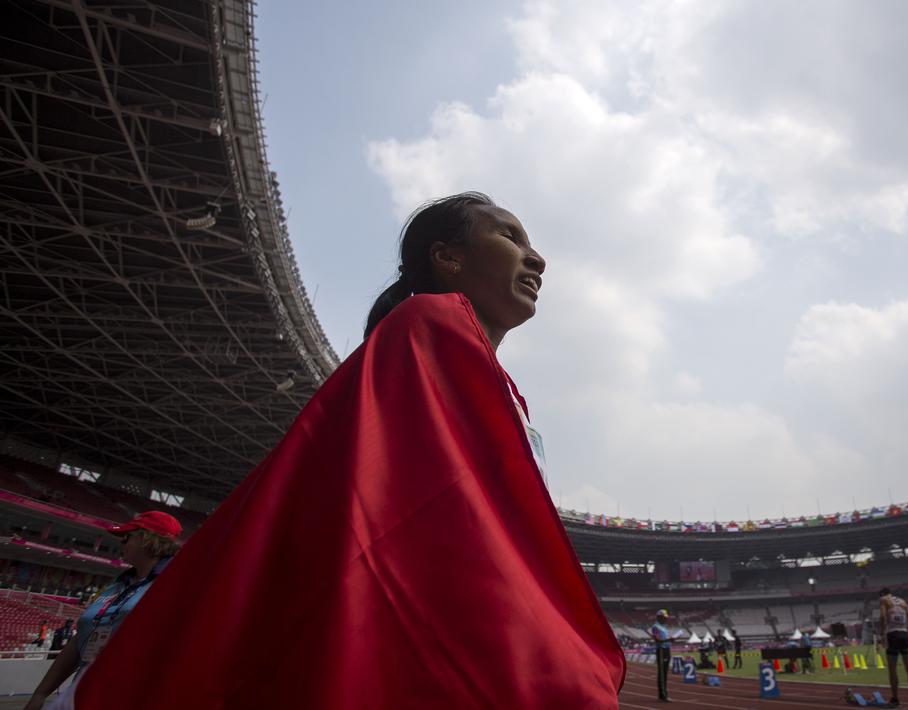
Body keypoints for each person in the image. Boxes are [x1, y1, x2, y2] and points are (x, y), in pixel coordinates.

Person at [71, 193, 624, 708]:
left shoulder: (506, 390)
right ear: (448, 258)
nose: (538, 259)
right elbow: (436, 514)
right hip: (442, 610)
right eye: (511, 237)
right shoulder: (427, 324)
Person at [24, 511, 181, 710]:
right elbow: (81, 638)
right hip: (82, 694)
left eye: (127, 537)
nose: (122, 543)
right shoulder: (116, 585)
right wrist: (41, 693)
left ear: (147, 540)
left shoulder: (174, 586)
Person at [879, 587, 908, 709]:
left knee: (892, 669)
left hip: (893, 634)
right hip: (904, 634)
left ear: (882, 594)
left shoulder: (883, 600)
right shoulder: (903, 602)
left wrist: (882, 635)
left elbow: (882, 617)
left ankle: (895, 699)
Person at [650, 610, 672, 702]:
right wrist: (669, 639)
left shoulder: (664, 627)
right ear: (659, 617)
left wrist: (670, 639)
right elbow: (657, 639)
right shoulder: (655, 627)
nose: (666, 619)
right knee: (662, 673)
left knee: (665, 672)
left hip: (667, 650)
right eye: (664, 617)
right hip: (661, 650)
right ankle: (662, 694)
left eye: (666, 617)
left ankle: (663, 693)